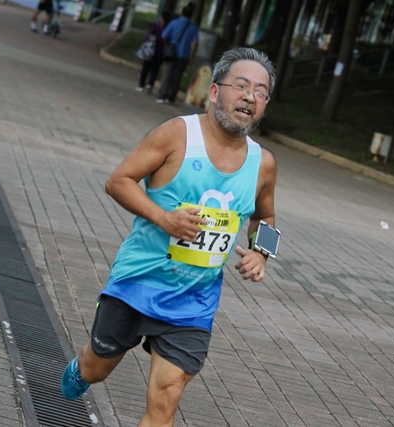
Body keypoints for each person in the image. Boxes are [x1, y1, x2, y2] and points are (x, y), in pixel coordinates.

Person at [60, 47, 277, 426]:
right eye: (241, 86)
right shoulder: (178, 134)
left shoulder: (264, 163)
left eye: (260, 92)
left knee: (166, 400)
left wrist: (261, 253)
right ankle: (83, 367)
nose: (249, 97)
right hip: (137, 283)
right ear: (214, 92)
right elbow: (118, 181)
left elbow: (265, 216)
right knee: (98, 369)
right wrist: (163, 218)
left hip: (194, 301)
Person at [156, 3, 199, 104]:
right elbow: (195, 42)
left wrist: (168, 45)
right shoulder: (193, 27)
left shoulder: (174, 23)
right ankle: (171, 97)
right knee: (177, 77)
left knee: (167, 74)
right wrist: (192, 55)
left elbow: (164, 36)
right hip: (183, 55)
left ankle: (162, 95)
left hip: (171, 53)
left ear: (182, 13)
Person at [137, 12, 171, 93]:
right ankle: (150, 84)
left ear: (162, 18)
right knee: (155, 70)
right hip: (160, 52)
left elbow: (148, 36)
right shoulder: (168, 29)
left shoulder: (156, 27)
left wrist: (144, 44)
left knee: (145, 68)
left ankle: (141, 85)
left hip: (150, 50)